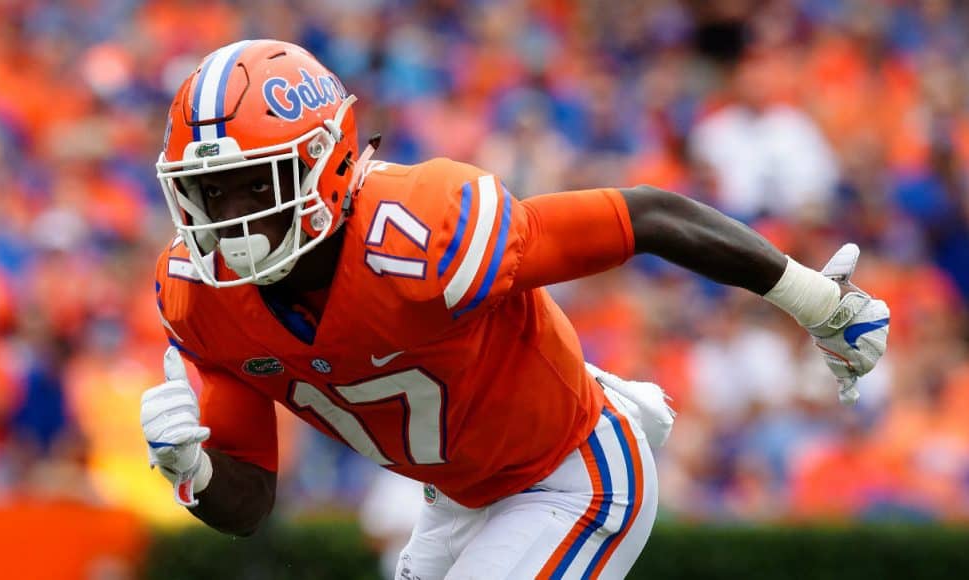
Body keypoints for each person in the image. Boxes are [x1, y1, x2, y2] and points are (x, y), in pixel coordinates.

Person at [140, 40, 890, 579]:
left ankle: (602, 402)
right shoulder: (203, 299)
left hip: (567, 475)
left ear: (326, 164)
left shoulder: (421, 232)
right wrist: (194, 472)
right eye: (211, 193)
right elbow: (247, 505)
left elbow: (645, 217)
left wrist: (814, 299)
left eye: (253, 184)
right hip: (454, 499)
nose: (231, 218)